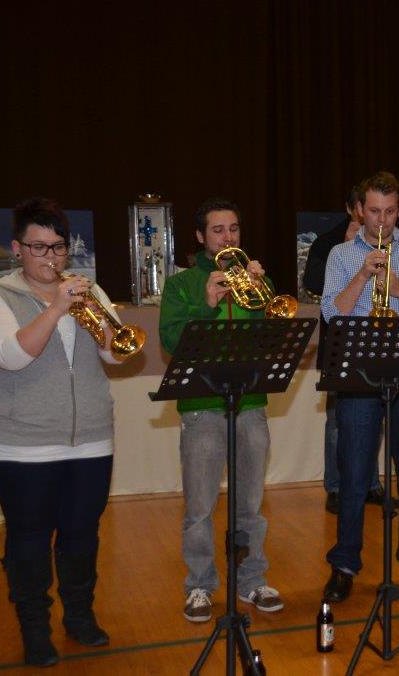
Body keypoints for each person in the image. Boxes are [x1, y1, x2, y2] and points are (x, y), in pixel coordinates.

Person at [0, 198, 125, 666]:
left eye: (58, 247)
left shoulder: (88, 291)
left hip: (90, 436)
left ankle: (79, 615)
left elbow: (117, 354)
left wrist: (96, 313)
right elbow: (12, 356)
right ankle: (35, 627)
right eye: (38, 247)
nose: (50, 257)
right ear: (17, 248)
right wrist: (57, 308)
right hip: (19, 440)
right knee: (29, 538)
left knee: (82, 534)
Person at [320, 171, 399, 602]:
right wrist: (362, 276)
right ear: (360, 210)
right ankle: (344, 564)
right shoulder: (341, 255)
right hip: (358, 376)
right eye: (374, 211)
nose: (382, 220)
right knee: (355, 476)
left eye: (390, 212)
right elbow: (331, 314)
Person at [159, 197, 284, 623]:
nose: (228, 237)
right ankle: (199, 586)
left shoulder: (255, 281)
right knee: (200, 509)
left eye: (233, 229)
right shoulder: (181, 286)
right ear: (200, 236)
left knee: (251, 504)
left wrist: (262, 297)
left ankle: (252, 580)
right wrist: (205, 304)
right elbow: (172, 341)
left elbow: (272, 338)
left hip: (250, 402)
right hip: (202, 407)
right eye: (218, 230)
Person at [301, 183, 385, 514]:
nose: (370, 216)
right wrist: (344, 252)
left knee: (376, 416)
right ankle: (336, 486)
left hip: (377, 344)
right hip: (339, 345)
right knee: (337, 421)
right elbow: (311, 283)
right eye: (365, 209)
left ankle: (370, 483)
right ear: (352, 209)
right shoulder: (327, 242)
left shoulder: (386, 243)